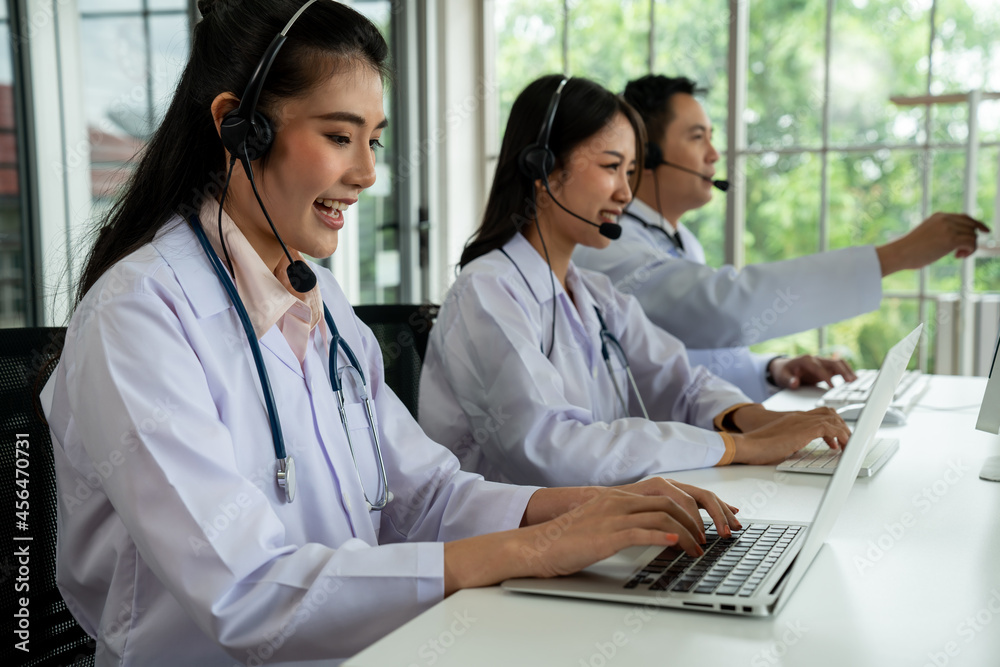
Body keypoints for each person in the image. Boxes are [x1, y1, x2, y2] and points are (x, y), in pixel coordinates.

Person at [39, 4, 744, 665]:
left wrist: (574, 506)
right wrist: (530, 549)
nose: (368, 173)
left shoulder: (320, 299)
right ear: (238, 127)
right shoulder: (138, 316)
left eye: (373, 141)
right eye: (340, 137)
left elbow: (423, 495)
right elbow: (246, 591)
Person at [418, 75, 851, 489]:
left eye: (630, 172)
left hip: (592, 528)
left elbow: (683, 383)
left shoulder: (596, 295)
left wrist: (765, 423)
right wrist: (739, 446)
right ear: (544, 167)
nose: (626, 193)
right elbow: (552, 448)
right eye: (611, 167)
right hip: (509, 551)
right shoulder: (487, 293)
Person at [573, 74, 990, 402]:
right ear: (648, 155)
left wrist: (773, 368)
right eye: (698, 137)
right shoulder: (609, 247)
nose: (715, 155)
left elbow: (696, 355)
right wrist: (895, 256)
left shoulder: (681, 241)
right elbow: (723, 309)